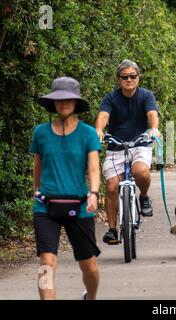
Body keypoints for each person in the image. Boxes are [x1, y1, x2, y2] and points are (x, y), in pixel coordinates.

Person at [31, 77, 101, 300]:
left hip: (79, 204)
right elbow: (38, 166)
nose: (63, 104)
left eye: (68, 99)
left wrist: (94, 193)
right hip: (45, 206)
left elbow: (93, 168)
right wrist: (37, 191)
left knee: (89, 266)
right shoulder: (40, 133)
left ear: (76, 102)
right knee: (46, 262)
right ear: (52, 103)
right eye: (58, 100)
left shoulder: (88, 133)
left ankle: (90, 296)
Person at [96, 60, 160, 245]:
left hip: (140, 144)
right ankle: (112, 230)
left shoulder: (146, 96)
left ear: (138, 77)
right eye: (125, 77)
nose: (129, 80)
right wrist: (99, 130)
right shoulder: (110, 98)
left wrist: (153, 129)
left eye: (133, 76)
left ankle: (144, 196)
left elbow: (152, 114)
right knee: (110, 186)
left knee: (140, 171)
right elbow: (103, 115)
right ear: (118, 79)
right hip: (116, 146)